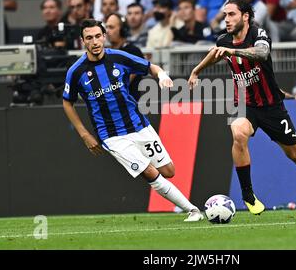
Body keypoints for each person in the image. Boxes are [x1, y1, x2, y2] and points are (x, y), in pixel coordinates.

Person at [187, 0, 296, 220]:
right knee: (238, 132)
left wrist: (233, 52)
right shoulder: (224, 40)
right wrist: (196, 70)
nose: (227, 19)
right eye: (225, 15)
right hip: (245, 105)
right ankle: (248, 196)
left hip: (272, 107)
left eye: (231, 14)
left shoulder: (258, 34)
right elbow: (215, 53)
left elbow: (261, 54)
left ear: (245, 16)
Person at [62, 19, 203, 222]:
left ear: (104, 36)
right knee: (150, 172)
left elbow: (150, 66)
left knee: (168, 171)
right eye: (89, 38)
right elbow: (67, 102)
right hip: (111, 136)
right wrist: (84, 134)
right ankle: (193, 210)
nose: (94, 41)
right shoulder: (76, 72)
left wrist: (162, 75)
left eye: (98, 36)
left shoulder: (118, 57)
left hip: (138, 124)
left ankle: (188, 207)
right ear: (83, 41)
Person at [105, 13, 147, 100]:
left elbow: (123, 83)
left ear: (123, 30)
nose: (107, 31)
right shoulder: (105, 52)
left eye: (111, 27)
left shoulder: (133, 51)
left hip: (129, 105)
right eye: (107, 27)